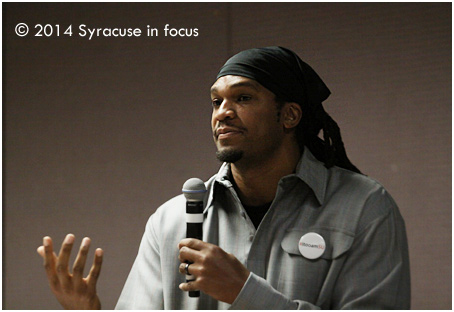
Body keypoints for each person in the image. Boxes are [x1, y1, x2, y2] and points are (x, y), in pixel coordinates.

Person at [37, 46, 411, 309]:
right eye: (217, 102)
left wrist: (245, 293)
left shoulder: (365, 208)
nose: (223, 113)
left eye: (243, 98)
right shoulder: (171, 220)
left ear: (290, 116)